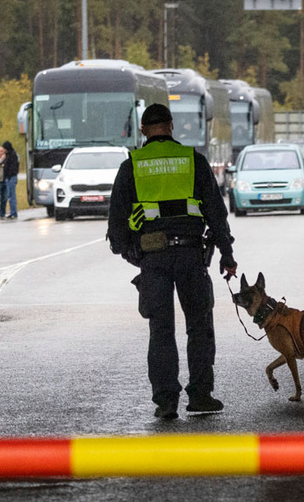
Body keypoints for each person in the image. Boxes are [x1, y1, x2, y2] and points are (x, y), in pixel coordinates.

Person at [107, 103, 237, 420]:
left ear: (143, 131)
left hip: (153, 259)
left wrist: (131, 253)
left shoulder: (132, 166)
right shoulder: (193, 161)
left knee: (161, 331)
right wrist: (226, 254)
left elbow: (116, 225)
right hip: (192, 256)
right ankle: (201, 395)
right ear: (171, 126)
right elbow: (216, 213)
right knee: (199, 326)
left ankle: (166, 401)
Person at [1, 141, 19, 219]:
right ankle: (12, 212)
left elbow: (12, 167)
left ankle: (14, 213)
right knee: (10, 196)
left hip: (11, 177)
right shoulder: (9, 155)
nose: (4, 150)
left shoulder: (12, 155)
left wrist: (8, 175)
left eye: (4, 148)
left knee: (11, 196)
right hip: (9, 177)